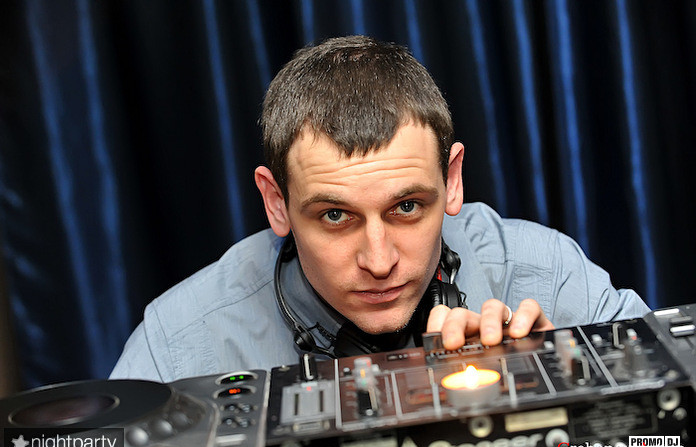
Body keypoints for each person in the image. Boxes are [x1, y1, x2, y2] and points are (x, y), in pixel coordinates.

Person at [110, 36, 649, 382]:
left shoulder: (545, 275)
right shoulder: (178, 346)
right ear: (277, 203)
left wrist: (564, 394)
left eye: (407, 207)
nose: (379, 260)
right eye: (335, 216)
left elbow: (669, 441)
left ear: (452, 181)